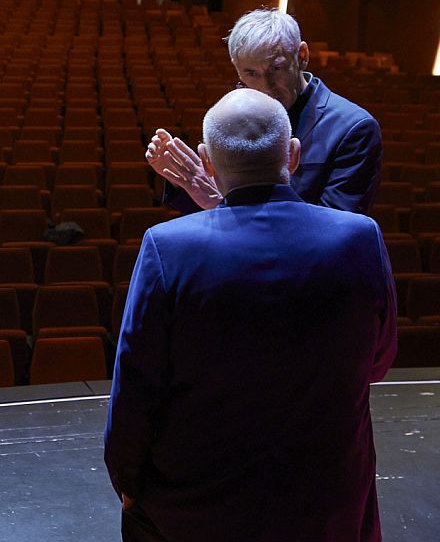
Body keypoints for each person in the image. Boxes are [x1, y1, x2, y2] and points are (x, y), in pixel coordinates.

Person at [107, 88, 397, 542]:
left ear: (207, 161)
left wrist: (125, 475)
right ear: (294, 155)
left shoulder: (168, 247)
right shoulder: (360, 237)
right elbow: (377, 362)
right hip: (328, 495)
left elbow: (137, 381)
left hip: (198, 503)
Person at [148, 7, 382, 213]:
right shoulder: (237, 115)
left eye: (276, 69)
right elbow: (213, 209)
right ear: (237, 69)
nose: (266, 87)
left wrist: (221, 204)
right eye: (251, 73)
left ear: (302, 56)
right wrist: (188, 182)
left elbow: (336, 232)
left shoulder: (354, 128)